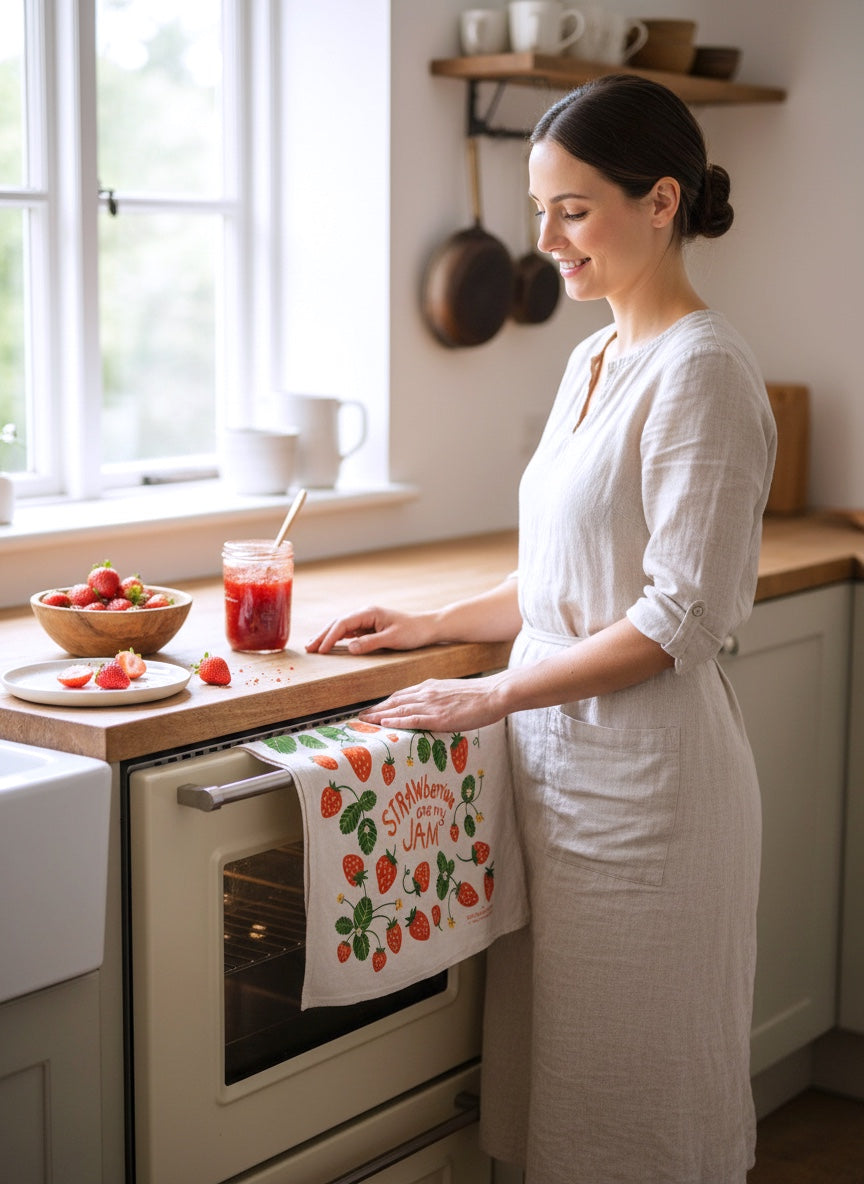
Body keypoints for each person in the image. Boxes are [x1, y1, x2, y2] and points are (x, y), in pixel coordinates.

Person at [307, 74, 777, 1183]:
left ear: (661, 201)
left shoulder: (703, 369)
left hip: (651, 799)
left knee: (639, 1103)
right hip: (561, 779)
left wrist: (492, 693)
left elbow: (675, 619)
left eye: (574, 209)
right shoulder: (590, 357)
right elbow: (561, 576)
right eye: (540, 212)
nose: (551, 239)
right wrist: (423, 622)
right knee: (563, 1090)